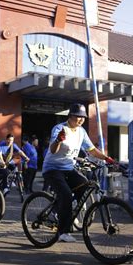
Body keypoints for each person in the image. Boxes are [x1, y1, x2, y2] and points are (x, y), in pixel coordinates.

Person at [42, 103, 115, 243]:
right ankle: (63, 232)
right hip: (53, 169)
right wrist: (58, 140)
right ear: (70, 116)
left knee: (85, 186)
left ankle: (64, 210)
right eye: (78, 116)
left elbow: (92, 150)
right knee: (66, 195)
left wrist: (107, 158)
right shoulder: (59, 128)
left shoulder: (81, 131)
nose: (81, 120)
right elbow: (52, 150)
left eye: (83, 117)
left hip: (69, 168)